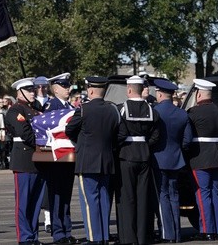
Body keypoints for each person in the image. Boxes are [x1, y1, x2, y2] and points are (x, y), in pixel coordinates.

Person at [65, 76, 120, 245]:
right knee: (104, 199)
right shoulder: (113, 110)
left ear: (90, 90)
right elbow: (118, 133)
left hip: (87, 160)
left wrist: (82, 141)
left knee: (90, 201)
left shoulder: (83, 110)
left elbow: (69, 130)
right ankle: (103, 236)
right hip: (107, 160)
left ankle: (94, 238)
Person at [117, 75, 160, 245]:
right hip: (144, 155)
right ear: (142, 90)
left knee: (127, 198)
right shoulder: (151, 110)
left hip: (126, 155)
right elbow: (156, 135)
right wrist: (145, 145)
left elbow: (118, 134)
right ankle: (143, 237)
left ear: (128, 90)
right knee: (143, 198)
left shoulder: (121, 109)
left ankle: (128, 237)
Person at [5, 77, 46, 245]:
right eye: (29, 90)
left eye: (33, 90)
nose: (32, 93)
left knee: (35, 202)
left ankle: (33, 236)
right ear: (19, 92)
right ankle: (24, 237)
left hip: (39, 159)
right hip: (24, 159)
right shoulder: (15, 111)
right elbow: (25, 133)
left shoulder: (36, 109)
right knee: (23, 202)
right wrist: (43, 142)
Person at [151, 79, 192, 244]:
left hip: (158, 159)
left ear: (159, 94)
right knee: (174, 196)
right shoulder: (182, 113)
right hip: (176, 159)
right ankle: (176, 233)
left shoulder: (155, 111)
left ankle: (167, 233)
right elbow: (187, 140)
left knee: (162, 197)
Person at [43, 72, 80, 244]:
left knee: (65, 196)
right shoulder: (52, 106)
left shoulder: (70, 107)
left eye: (69, 85)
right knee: (57, 195)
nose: (69, 89)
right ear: (55, 89)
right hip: (56, 159)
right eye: (65, 86)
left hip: (68, 158)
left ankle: (66, 230)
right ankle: (58, 232)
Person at [187, 79, 218, 241]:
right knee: (215, 193)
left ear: (199, 94)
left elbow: (188, 137)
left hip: (200, 158)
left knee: (203, 195)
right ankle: (216, 229)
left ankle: (206, 230)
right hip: (217, 157)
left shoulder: (193, 113)